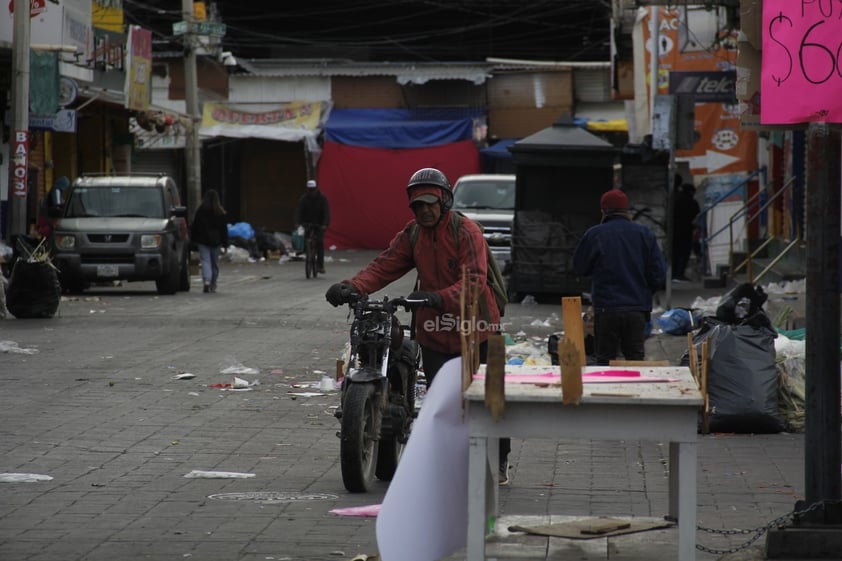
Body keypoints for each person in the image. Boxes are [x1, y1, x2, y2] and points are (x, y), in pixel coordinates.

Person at [324, 167, 512, 485]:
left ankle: (500, 458)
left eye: (430, 203)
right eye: (417, 205)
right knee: (444, 399)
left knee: (488, 399)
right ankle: (451, 461)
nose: (424, 210)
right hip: (436, 330)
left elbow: (476, 280)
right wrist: (353, 286)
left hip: (477, 326)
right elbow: (385, 265)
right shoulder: (413, 234)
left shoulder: (466, 232)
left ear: (445, 202)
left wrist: (438, 298)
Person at [573, 189, 666, 365]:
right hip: (636, 310)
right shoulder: (645, 234)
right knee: (635, 360)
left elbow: (580, 267)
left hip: (606, 309)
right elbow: (658, 273)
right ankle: (635, 390)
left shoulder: (595, 234)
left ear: (603, 212)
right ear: (626, 211)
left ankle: (605, 392)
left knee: (605, 361)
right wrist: (643, 291)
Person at [190, 189, 229, 293]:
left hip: (202, 241)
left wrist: (193, 241)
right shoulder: (220, 212)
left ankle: (207, 280)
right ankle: (213, 284)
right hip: (216, 241)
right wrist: (225, 244)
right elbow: (224, 230)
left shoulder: (200, 211)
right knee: (214, 263)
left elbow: (195, 227)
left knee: (205, 261)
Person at [295, 179, 330, 274]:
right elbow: (299, 211)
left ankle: (320, 265)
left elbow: (326, 213)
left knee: (319, 242)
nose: (312, 192)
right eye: (310, 190)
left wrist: (324, 224)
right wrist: (298, 222)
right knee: (306, 239)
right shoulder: (304, 199)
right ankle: (308, 254)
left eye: (313, 190)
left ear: (316, 189)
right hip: (308, 223)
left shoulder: (322, 198)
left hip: (319, 224)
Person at [671, 182, 701, 282]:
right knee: (683, 253)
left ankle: (673, 273)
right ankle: (679, 274)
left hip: (673, 232)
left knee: (674, 253)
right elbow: (697, 217)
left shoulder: (674, 199)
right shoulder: (692, 202)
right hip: (686, 231)